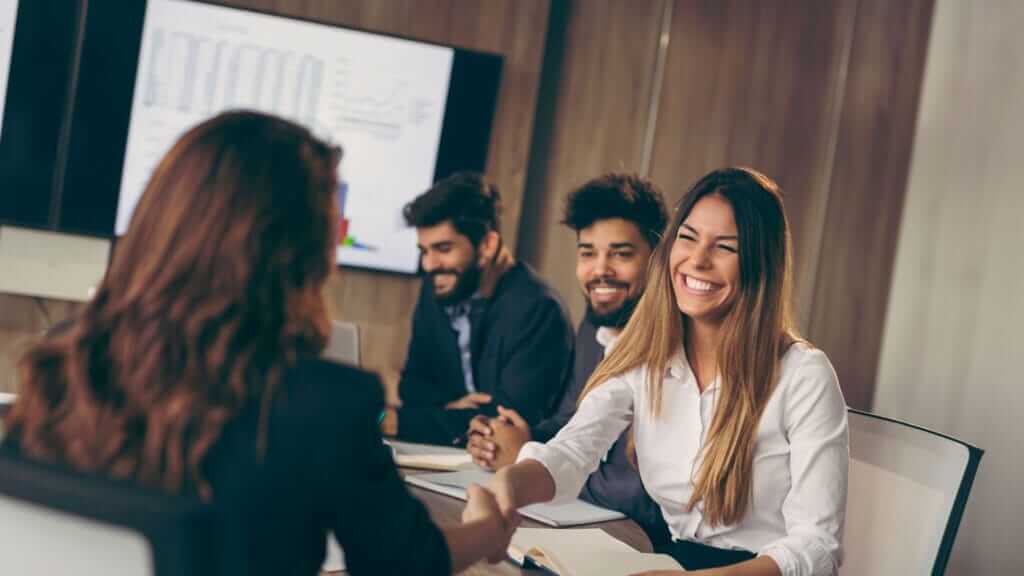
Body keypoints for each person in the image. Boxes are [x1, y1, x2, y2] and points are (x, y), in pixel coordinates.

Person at [1, 111, 516, 575]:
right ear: (300, 252)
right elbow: (407, 564)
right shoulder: (324, 402)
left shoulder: (67, 358)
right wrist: (488, 531)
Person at [488, 168, 849, 575]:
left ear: (759, 264)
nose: (696, 260)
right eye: (688, 237)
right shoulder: (644, 354)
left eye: (725, 247)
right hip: (674, 560)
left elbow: (818, 546)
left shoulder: (804, 375)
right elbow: (573, 452)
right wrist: (507, 488)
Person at [465, 174, 671, 539]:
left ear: (657, 259)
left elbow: (644, 492)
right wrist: (515, 436)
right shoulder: (594, 326)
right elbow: (571, 419)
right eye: (588, 253)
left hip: (648, 543)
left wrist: (528, 460)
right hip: (587, 526)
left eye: (621, 254)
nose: (600, 270)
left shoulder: (677, 347)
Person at [389, 172, 574, 444]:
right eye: (424, 251)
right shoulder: (437, 290)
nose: (429, 265)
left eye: (443, 248)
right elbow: (413, 390)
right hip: (447, 458)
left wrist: (402, 421)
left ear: (487, 245)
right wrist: (451, 410)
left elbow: (507, 421)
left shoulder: (539, 309)